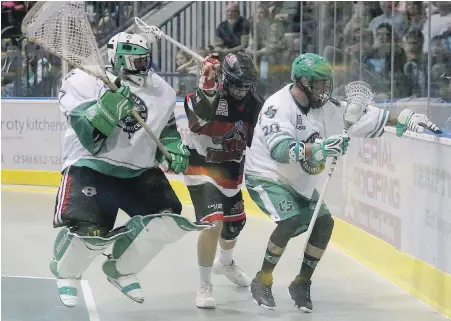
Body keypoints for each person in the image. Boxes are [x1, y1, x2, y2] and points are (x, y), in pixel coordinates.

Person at [244, 53, 442, 312]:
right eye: (319, 84)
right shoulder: (277, 106)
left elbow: (369, 118)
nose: (325, 90)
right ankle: (263, 279)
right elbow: (280, 150)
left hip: (298, 181)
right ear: (302, 82)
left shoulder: (328, 107)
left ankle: (301, 282)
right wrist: (319, 149)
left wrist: (403, 118)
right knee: (290, 218)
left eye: (326, 84)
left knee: (324, 223)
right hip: (266, 175)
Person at [50, 32, 208, 308]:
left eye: (144, 58)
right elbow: (87, 135)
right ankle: (67, 274)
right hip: (92, 166)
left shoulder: (162, 89)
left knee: (165, 220)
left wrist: (173, 148)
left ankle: (121, 268)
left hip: (139, 170)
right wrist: (107, 110)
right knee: (91, 231)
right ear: (118, 58)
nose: (143, 64)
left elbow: (166, 128)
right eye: (136, 59)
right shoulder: (85, 79)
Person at [182, 52, 264, 308]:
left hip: (230, 172)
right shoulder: (205, 95)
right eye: (238, 85)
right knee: (213, 224)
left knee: (234, 226)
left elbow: (258, 141)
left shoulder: (254, 103)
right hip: (201, 168)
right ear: (225, 80)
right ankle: (204, 284)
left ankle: (225, 263)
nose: (243, 91)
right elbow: (197, 123)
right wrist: (207, 86)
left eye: (248, 85)